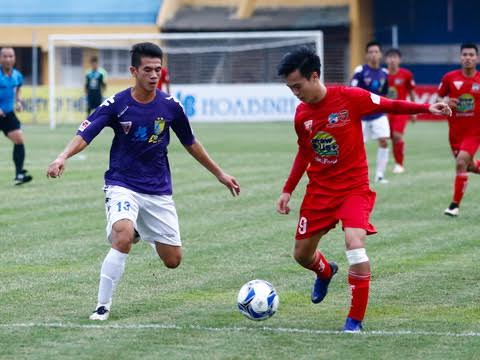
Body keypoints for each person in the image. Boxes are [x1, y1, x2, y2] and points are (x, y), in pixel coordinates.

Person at [46, 42, 240, 321]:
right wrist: (62, 156)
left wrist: (220, 173)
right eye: (147, 70)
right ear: (133, 71)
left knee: (173, 261)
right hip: (122, 183)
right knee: (122, 236)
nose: (153, 75)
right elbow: (86, 132)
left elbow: (191, 142)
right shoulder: (117, 104)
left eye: (157, 70)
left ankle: (139, 231)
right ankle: (102, 306)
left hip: (158, 190)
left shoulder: (171, 107)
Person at [276, 47, 451, 332]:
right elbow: (304, 153)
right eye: (290, 88)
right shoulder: (301, 115)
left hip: (353, 189)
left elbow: (388, 104)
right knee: (301, 255)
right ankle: (326, 270)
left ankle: (354, 321)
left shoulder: (349, 97)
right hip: (319, 191)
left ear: (314, 76)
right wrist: (287, 190)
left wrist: (426, 107)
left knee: (355, 245)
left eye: (297, 86)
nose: (295, 92)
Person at [438, 43, 480, 217]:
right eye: (465, 55)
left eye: (471, 55)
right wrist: (446, 103)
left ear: (477, 58)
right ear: (460, 57)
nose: (468, 58)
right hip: (455, 132)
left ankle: (454, 206)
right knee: (468, 166)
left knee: (461, 162)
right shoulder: (449, 78)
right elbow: (438, 97)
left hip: (475, 132)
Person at [351, 41, 390, 183]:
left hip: (379, 114)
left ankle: (380, 175)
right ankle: (355, 176)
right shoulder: (360, 71)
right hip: (361, 116)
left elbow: (385, 94)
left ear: (380, 54)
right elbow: (352, 90)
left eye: (376, 52)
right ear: (367, 54)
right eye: (371, 52)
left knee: (384, 141)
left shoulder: (385, 73)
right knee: (356, 147)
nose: (373, 54)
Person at [0, 47, 32, 185]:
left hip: (7, 114)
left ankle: (19, 175)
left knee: (19, 140)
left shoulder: (17, 75)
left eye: (11, 56)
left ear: (14, 58)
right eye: (5, 56)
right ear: (0, 59)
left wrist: (19, 102)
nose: (8, 59)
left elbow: (18, 89)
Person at [385, 48, 417, 174]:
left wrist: (414, 111)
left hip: (401, 111)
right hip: (386, 111)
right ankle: (396, 162)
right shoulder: (383, 75)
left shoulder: (406, 74)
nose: (392, 60)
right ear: (386, 59)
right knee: (391, 138)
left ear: (399, 60)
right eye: (390, 57)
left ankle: (399, 164)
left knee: (397, 136)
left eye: (395, 57)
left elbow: (411, 92)